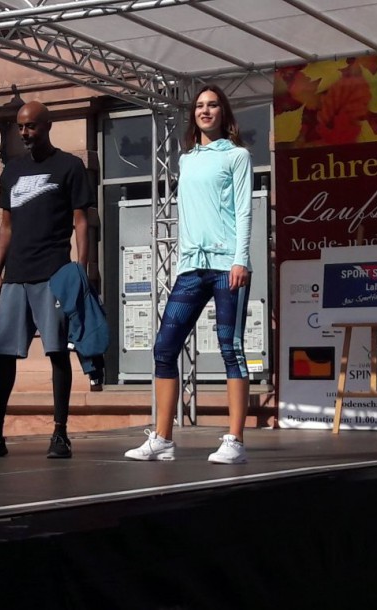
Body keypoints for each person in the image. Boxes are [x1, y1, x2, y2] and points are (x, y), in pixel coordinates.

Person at [0, 100, 94, 459]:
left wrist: (82, 268)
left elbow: (81, 221)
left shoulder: (69, 166)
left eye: (31, 126)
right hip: (16, 275)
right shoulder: (12, 170)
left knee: (57, 352)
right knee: (4, 356)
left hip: (53, 273)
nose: (25, 133)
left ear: (47, 126)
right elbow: (7, 226)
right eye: (20, 127)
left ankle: (60, 434)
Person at [124, 84, 253, 465]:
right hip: (191, 268)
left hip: (227, 264)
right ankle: (162, 438)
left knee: (231, 348)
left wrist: (240, 259)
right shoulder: (187, 159)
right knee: (164, 348)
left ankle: (235, 440)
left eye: (212, 105)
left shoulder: (237, 156)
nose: (205, 110)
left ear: (224, 113)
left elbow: (244, 210)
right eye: (199, 106)